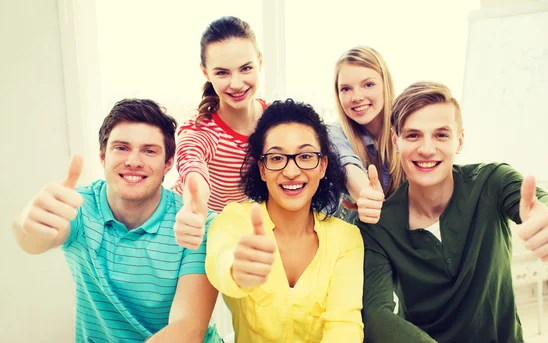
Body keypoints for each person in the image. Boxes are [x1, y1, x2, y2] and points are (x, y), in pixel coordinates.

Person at [359, 82, 548, 343]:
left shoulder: (492, 181)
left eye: (441, 135)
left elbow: (546, 201)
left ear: (459, 141)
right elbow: (376, 314)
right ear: (396, 141)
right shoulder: (377, 225)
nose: (427, 149)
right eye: (414, 135)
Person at [12, 99, 221, 342]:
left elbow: (187, 328)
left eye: (149, 150)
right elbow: (32, 242)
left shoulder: (195, 223)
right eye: (121, 148)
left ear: (168, 164)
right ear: (102, 156)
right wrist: (29, 223)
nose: (133, 161)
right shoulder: (78, 207)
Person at [204, 99, 364, 342]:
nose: (291, 171)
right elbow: (220, 259)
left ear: (322, 166)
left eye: (306, 156)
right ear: (262, 168)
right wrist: (237, 270)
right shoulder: (235, 219)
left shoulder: (346, 238)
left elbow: (345, 328)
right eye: (277, 158)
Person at [172, 16, 268, 251]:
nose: (236, 83)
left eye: (245, 68)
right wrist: (195, 204)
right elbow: (192, 165)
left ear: (260, 62)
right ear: (205, 72)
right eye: (223, 73)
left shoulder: (276, 121)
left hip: (236, 233)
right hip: (189, 229)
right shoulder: (199, 130)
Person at [328, 46, 400, 224]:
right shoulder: (333, 132)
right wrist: (366, 194)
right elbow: (347, 166)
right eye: (346, 89)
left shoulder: (406, 128)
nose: (356, 97)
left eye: (368, 85)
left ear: (385, 85)